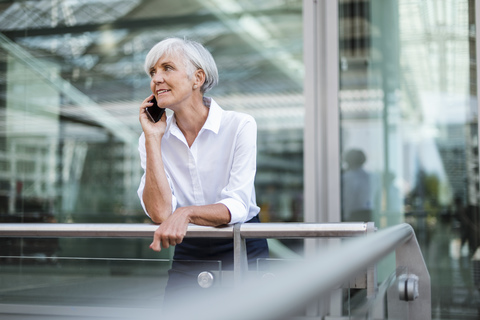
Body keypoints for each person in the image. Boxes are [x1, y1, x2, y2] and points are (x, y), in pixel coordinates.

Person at [136, 37, 269, 301]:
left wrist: (185, 213)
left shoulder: (239, 125)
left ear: (197, 78)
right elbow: (162, 212)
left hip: (240, 241)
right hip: (189, 244)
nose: (157, 79)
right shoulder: (151, 138)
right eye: (153, 72)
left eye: (167, 68)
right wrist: (152, 138)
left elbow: (238, 205)